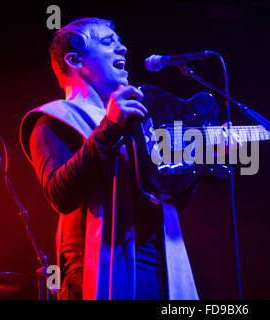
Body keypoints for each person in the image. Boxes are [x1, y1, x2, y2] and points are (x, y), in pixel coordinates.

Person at [20, 17, 237, 300]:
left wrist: (203, 161)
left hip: (167, 267)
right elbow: (59, 195)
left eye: (121, 43)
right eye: (108, 42)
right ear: (74, 60)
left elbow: (162, 199)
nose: (122, 49)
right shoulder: (52, 120)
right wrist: (108, 128)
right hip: (97, 273)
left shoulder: (138, 122)